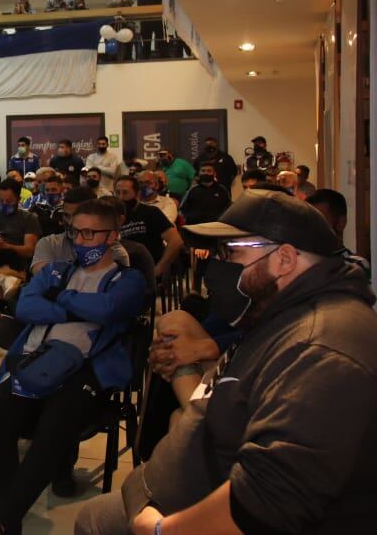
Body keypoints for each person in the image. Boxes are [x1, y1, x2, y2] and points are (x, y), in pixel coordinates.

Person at [76, 189, 377, 535]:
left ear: (285, 259)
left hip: (201, 515)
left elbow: (268, 501)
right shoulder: (279, 315)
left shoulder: (322, 347)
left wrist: (163, 530)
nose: (218, 266)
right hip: (184, 486)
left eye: (230, 252)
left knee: (98, 522)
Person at [0, 199, 146, 535]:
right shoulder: (58, 270)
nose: (79, 241)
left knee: (52, 430)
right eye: (74, 232)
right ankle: (5, 517)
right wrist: (80, 310)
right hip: (35, 361)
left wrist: (60, 300)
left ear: (112, 236)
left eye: (88, 233)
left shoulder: (128, 278)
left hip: (87, 370)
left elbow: (110, 309)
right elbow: (26, 306)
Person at [115, 176, 183, 277]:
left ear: (137, 195)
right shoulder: (112, 216)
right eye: (117, 193)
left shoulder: (150, 212)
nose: (120, 197)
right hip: (121, 271)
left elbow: (176, 241)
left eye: (125, 193)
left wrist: (159, 268)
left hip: (147, 270)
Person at [307, 188, 370, 278]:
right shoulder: (301, 261)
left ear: (341, 223)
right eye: (308, 220)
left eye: (320, 220)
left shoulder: (355, 265)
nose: (312, 227)